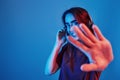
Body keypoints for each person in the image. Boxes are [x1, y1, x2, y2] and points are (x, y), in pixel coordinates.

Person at [45, 7, 114, 80]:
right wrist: (58, 44)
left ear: (87, 24)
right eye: (68, 25)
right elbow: (49, 71)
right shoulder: (67, 48)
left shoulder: (95, 49)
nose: (71, 29)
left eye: (75, 23)